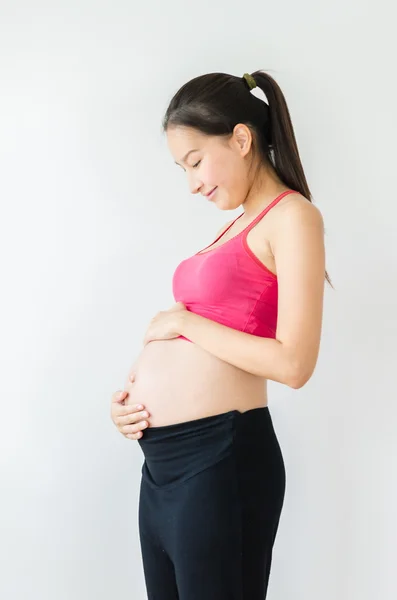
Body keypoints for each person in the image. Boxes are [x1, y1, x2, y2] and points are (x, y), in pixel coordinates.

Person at [110, 70, 330, 599]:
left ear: (241, 138)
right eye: (182, 169)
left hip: (220, 459)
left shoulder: (293, 217)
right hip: (162, 466)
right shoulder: (233, 225)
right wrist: (132, 403)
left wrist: (185, 322)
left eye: (196, 161)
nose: (192, 183)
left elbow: (294, 364)